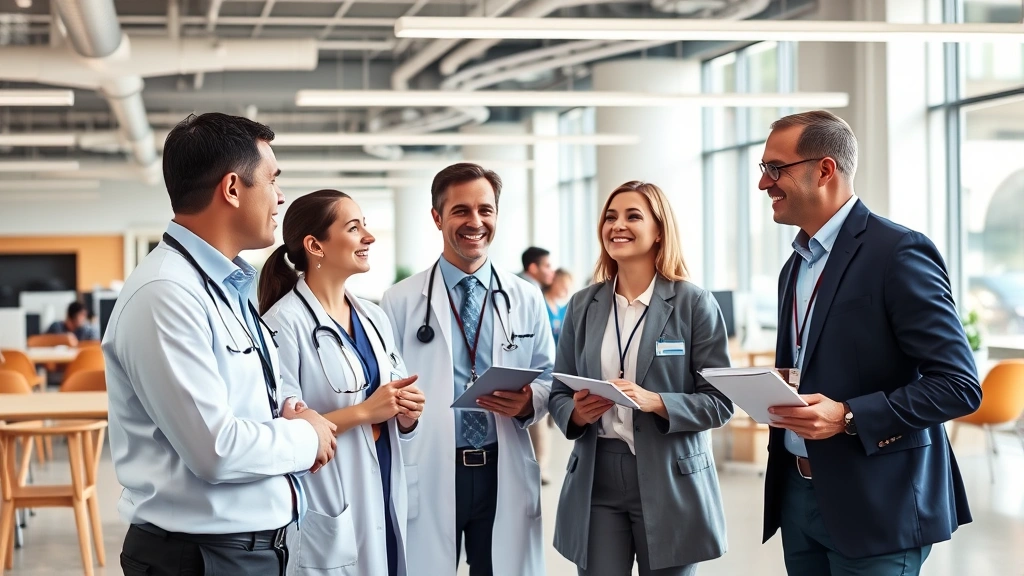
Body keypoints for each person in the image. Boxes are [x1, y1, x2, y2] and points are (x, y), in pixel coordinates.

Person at [102, 113, 338, 576]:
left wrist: (292, 408)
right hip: (200, 557)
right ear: (232, 188)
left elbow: (257, 393)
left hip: (244, 549)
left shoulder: (225, 286)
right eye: (272, 180)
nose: (281, 196)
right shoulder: (166, 294)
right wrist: (307, 435)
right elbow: (216, 448)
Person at [758, 110, 982, 576]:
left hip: (879, 501)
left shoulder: (898, 252)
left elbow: (959, 385)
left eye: (775, 169)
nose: (765, 184)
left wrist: (848, 416)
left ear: (824, 170)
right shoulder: (795, 266)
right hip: (798, 497)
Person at [548, 180, 734, 576]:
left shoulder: (693, 303)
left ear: (659, 230)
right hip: (598, 476)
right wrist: (578, 412)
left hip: (671, 476)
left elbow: (720, 402)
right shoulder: (583, 304)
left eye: (633, 216)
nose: (618, 225)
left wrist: (655, 401)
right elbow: (559, 391)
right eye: (611, 217)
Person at [380, 162, 555, 576]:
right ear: (438, 217)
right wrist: (403, 418)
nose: (475, 222)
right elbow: (388, 389)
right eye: (461, 211)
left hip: (501, 465)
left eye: (485, 210)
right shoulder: (400, 301)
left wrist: (530, 401)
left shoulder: (525, 298)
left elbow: (549, 376)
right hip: (432, 464)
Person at [260, 189, 426, 576]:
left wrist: (407, 413)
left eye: (366, 226)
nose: (368, 237)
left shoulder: (374, 316)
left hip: (384, 480)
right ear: (315, 245)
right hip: (330, 494)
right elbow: (283, 429)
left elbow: (394, 392)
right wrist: (366, 411)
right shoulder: (283, 325)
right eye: (354, 228)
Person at [532, 267, 575, 485]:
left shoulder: (565, 309)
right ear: (554, 282)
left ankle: (541, 465)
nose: (566, 289)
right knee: (538, 420)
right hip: (541, 372)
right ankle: (539, 466)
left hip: (560, 371)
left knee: (549, 421)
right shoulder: (540, 304)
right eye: (564, 283)